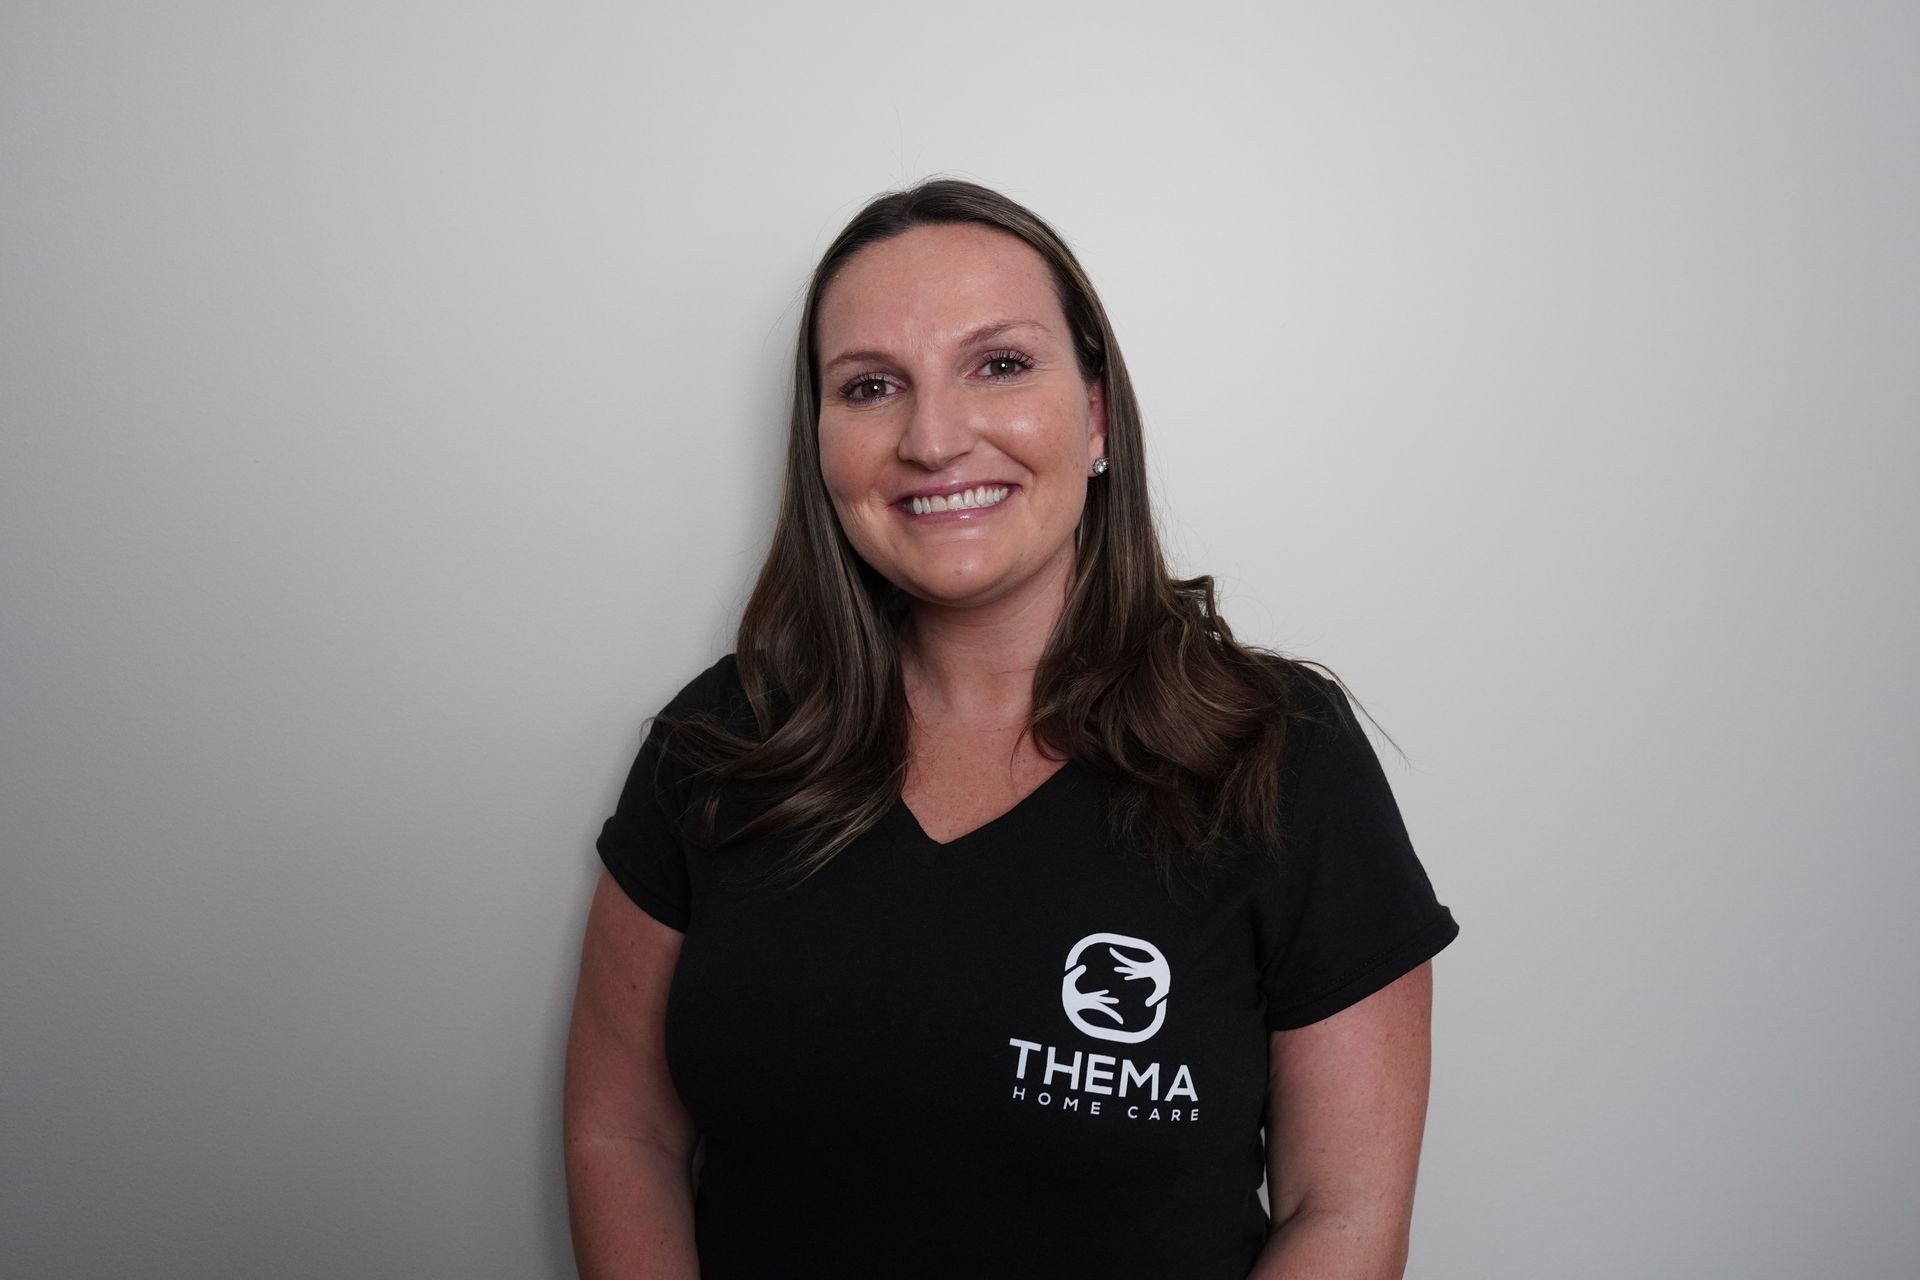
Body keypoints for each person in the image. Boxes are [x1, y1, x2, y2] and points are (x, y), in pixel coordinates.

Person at [562, 178, 1460, 1280]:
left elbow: (1346, 1210)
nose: (934, 438)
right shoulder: (720, 741)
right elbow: (624, 1134)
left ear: (1094, 418)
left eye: (999, 364)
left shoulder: (1281, 755)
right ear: (821, 443)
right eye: (872, 385)